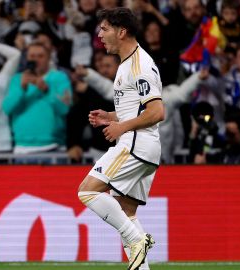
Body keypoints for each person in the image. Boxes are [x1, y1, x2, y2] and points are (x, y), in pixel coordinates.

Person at [77, 8, 164, 270]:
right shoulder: (128, 62)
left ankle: (138, 240)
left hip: (136, 143)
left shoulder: (139, 65)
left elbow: (157, 111)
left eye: (104, 29)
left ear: (121, 31)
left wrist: (120, 127)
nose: (99, 35)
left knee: (87, 191)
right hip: (144, 147)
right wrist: (110, 116)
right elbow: (138, 107)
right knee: (127, 214)